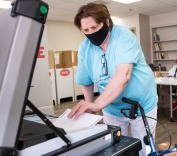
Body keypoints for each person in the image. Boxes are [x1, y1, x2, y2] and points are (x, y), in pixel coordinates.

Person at [67, 3, 158, 156]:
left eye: (94, 28)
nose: (91, 33)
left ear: (107, 22)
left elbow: (123, 76)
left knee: (143, 150)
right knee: (115, 150)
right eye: (86, 30)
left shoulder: (124, 36)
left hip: (142, 105)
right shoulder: (85, 47)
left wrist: (96, 104)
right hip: (112, 108)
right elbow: (86, 80)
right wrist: (91, 109)